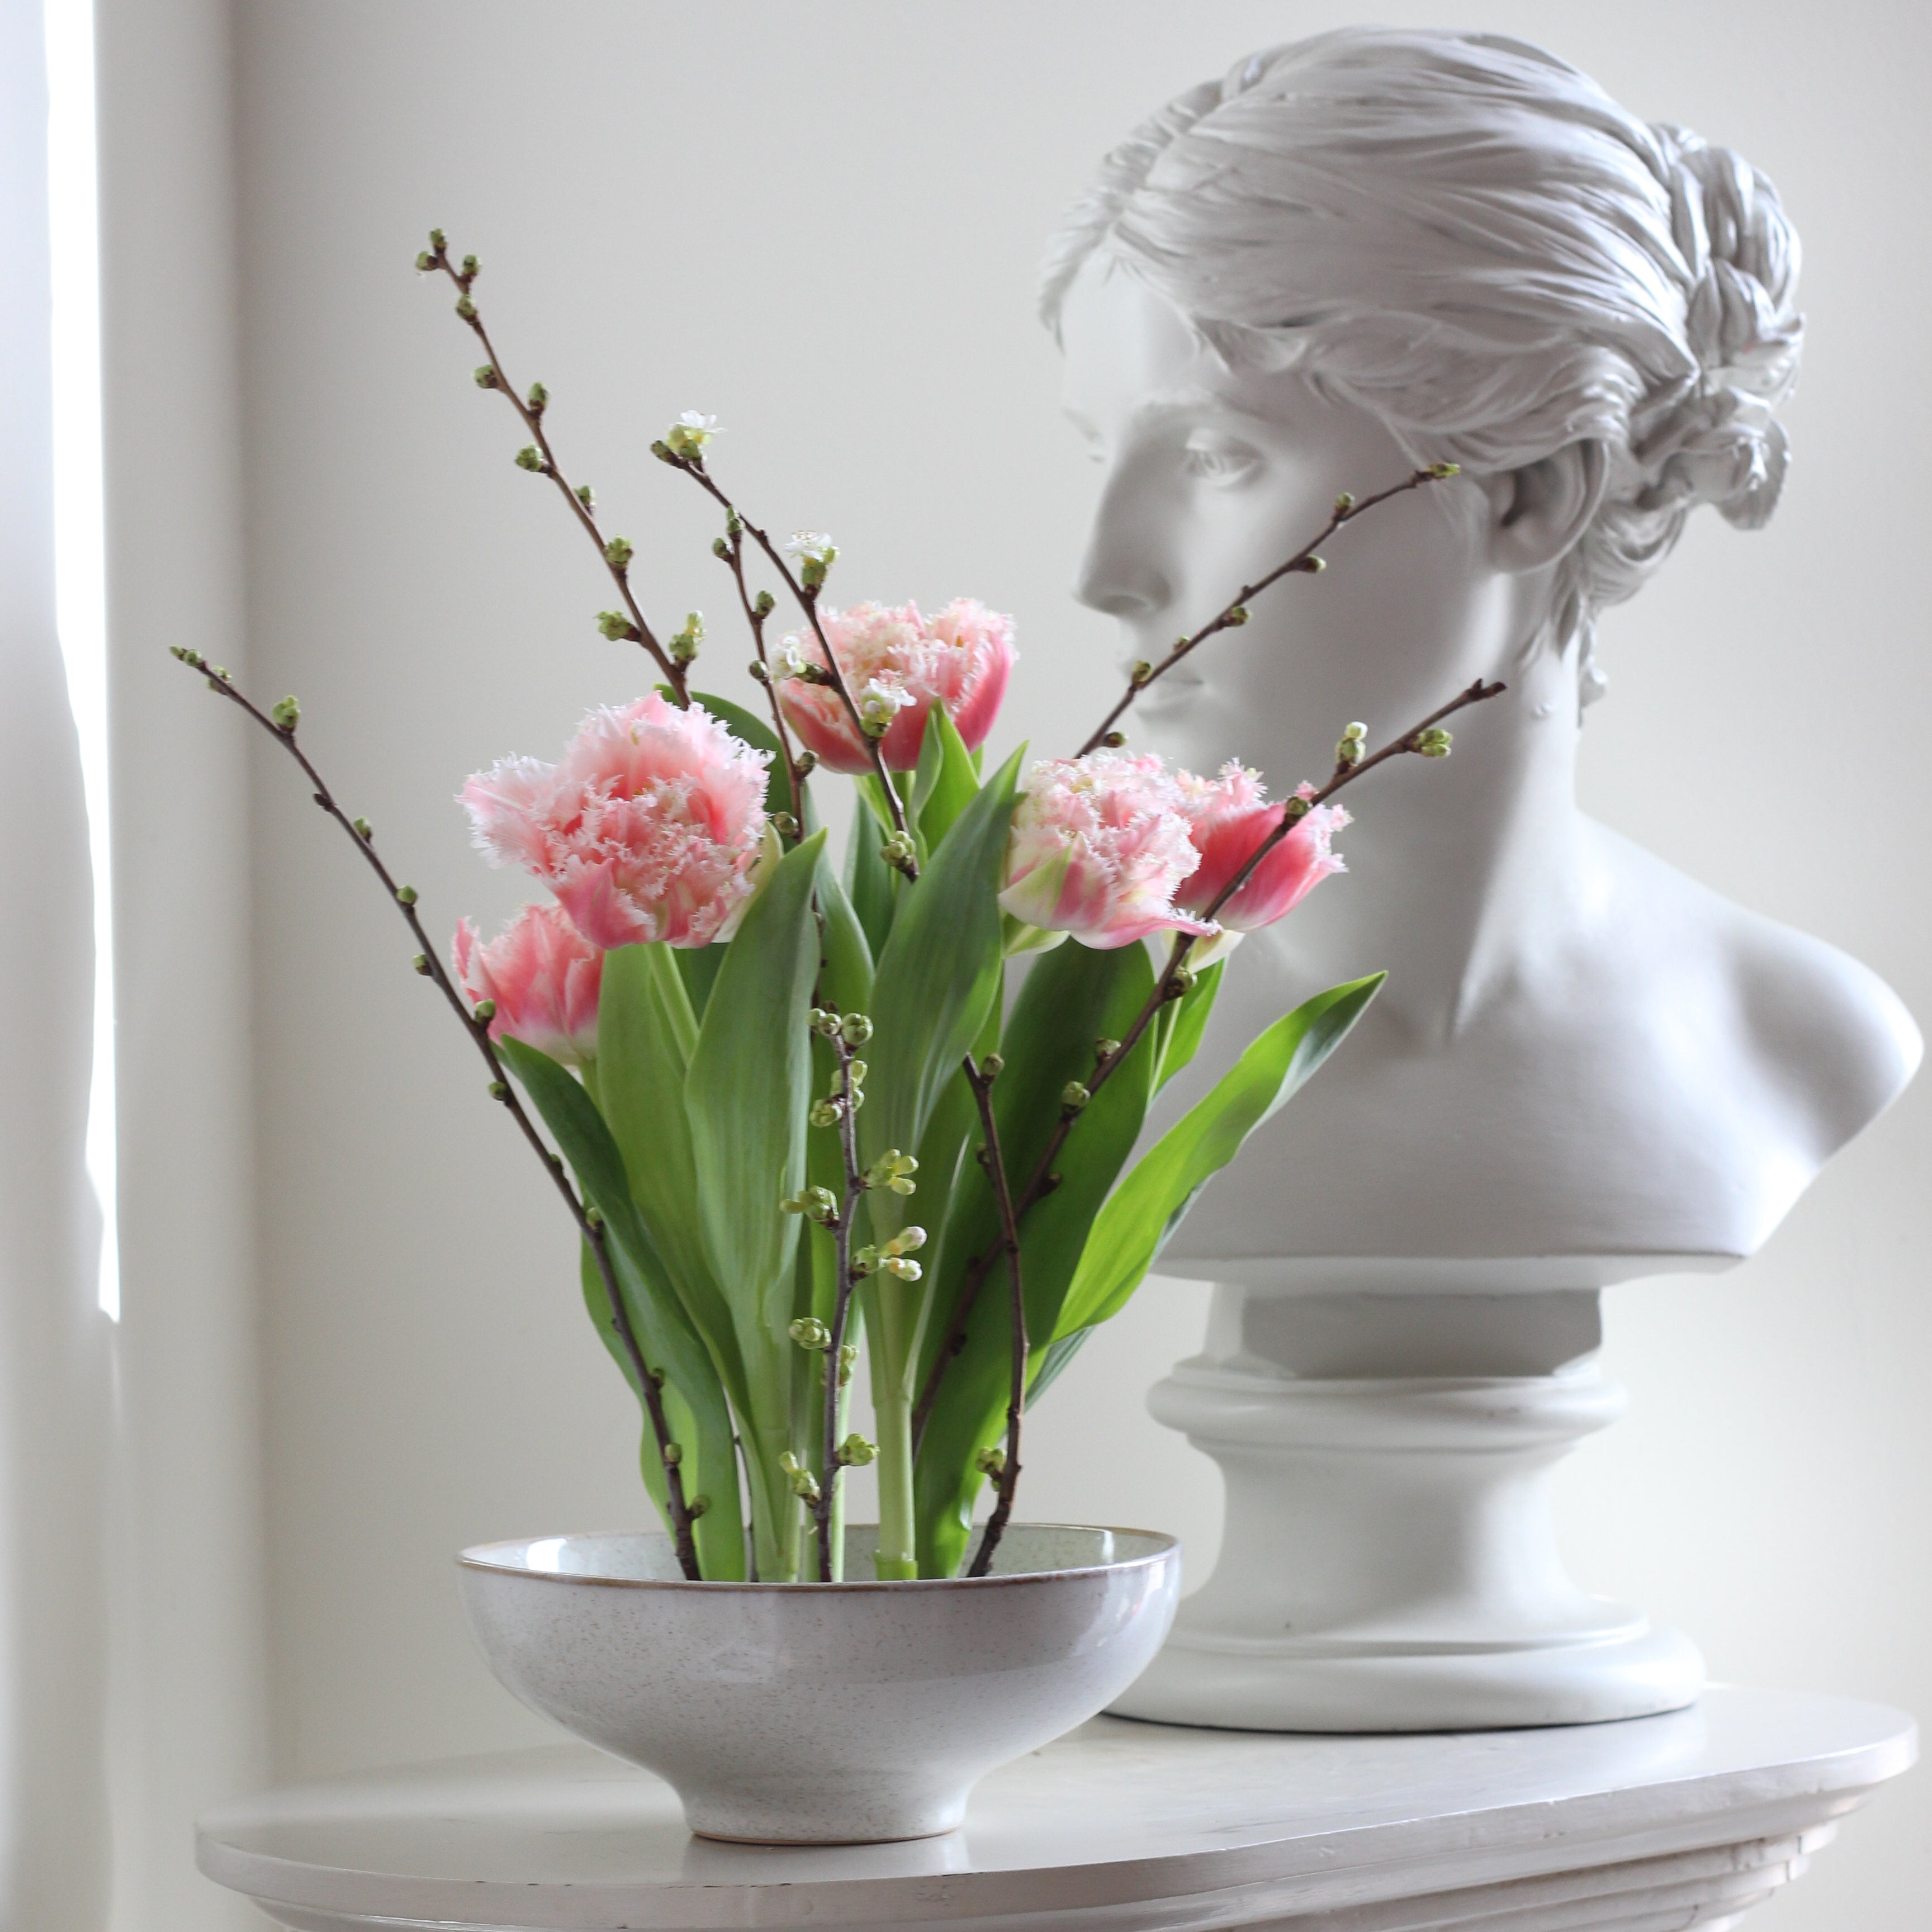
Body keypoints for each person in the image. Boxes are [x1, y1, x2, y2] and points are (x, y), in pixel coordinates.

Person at [1046, 28, 1919, 1278]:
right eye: (1100, 453)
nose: (1103, 575)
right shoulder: (1023, 1047)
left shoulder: (1795, 1037)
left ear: (1532, 491)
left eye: (1216, 459)